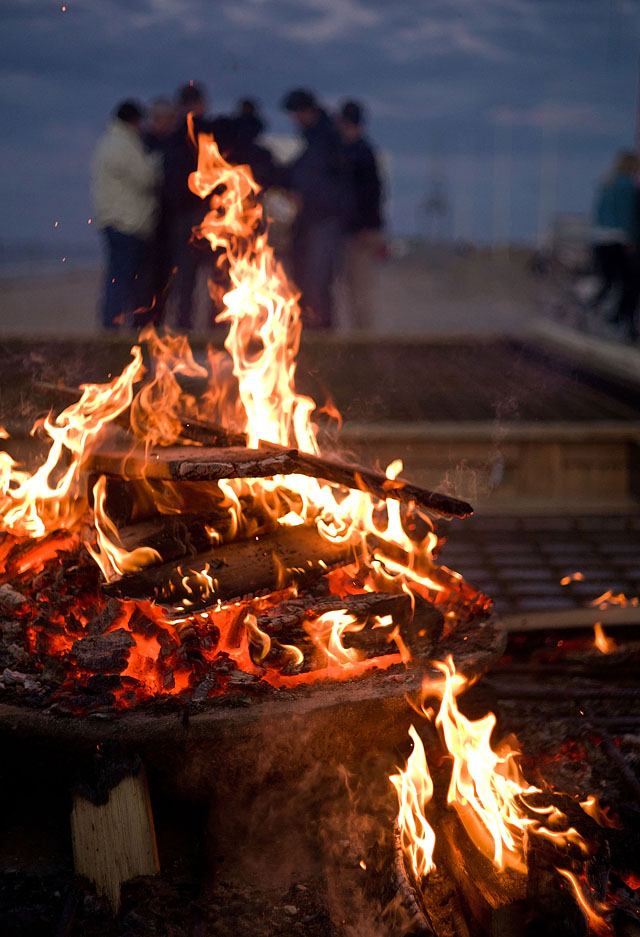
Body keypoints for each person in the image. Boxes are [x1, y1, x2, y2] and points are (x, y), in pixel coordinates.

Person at [281, 88, 352, 329]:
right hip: (311, 219)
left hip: (324, 219)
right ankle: (312, 330)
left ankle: (321, 334)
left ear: (308, 111)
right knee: (307, 281)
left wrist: (302, 193)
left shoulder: (327, 138)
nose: (294, 119)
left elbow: (320, 180)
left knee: (318, 282)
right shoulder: (315, 138)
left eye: (297, 113)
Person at [91, 100, 160, 329]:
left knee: (116, 276)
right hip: (127, 222)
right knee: (124, 279)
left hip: (111, 219)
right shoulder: (125, 145)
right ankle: (115, 327)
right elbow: (147, 178)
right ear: (134, 121)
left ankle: (112, 325)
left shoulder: (107, 142)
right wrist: (157, 160)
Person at [163, 83, 215, 331]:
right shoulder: (206, 134)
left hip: (186, 217)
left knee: (187, 278)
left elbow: (168, 182)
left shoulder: (174, 138)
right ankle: (210, 329)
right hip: (201, 216)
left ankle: (185, 329)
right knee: (213, 276)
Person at [337, 100, 385, 331]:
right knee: (354, 285)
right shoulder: (362, 151)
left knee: (359, 285)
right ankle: (360, 332)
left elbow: (371, 195)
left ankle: (363, 336)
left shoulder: (359, 154)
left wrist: (368, 227)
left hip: (361, 232)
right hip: (361, 229)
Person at [592, 150, 640, 341]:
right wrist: (631, 239)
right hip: (620, 238)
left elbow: (597, 213)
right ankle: (618, 321)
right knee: (630, 282)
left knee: (609, 281)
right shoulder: (629, 186)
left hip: (599, 238)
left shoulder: (606, 184)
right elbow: (630, 215)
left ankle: (596, 311)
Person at [141, 97, 177, 326]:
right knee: (145, 277)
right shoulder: (145, 144)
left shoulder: (176, 144)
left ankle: (157, 320)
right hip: (147, 221)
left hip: (170, 221)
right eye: (160, 119)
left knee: (166, 277)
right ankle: (144, 322)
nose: (165, 123)